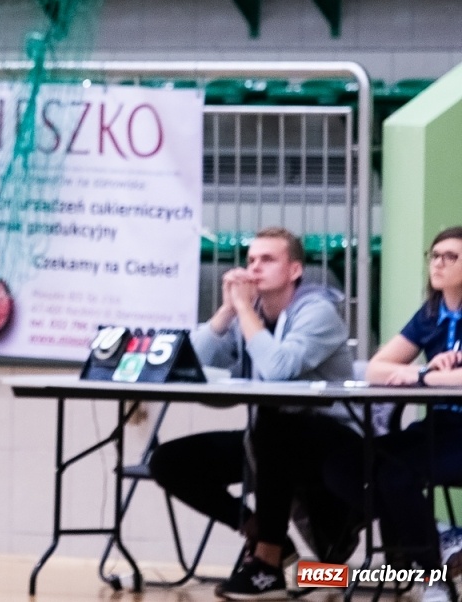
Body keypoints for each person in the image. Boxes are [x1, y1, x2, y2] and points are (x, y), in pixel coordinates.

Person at [144, 227, 357, 600]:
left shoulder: (317, 311)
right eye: (251, 260)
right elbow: (188, 363)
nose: (254, 268)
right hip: (270, 442)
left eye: (267, 260)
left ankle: (267, 564)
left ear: (294, 270)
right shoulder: (250, 314)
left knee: (274, 425)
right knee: (168, 461)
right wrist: (227, 310)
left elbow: (278, 370)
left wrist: (243, 309)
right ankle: (261, 533)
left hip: (333, 442)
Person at [356, 225, 462, 602]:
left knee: (394, 474)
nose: (439, 263)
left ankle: (433, 577)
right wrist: (426, 370)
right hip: (435, 427)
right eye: (434, 255)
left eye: (451, 257)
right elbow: (376, 369)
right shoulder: (431, 314)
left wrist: (427, 377)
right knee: (350, 466)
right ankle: (439, 535)